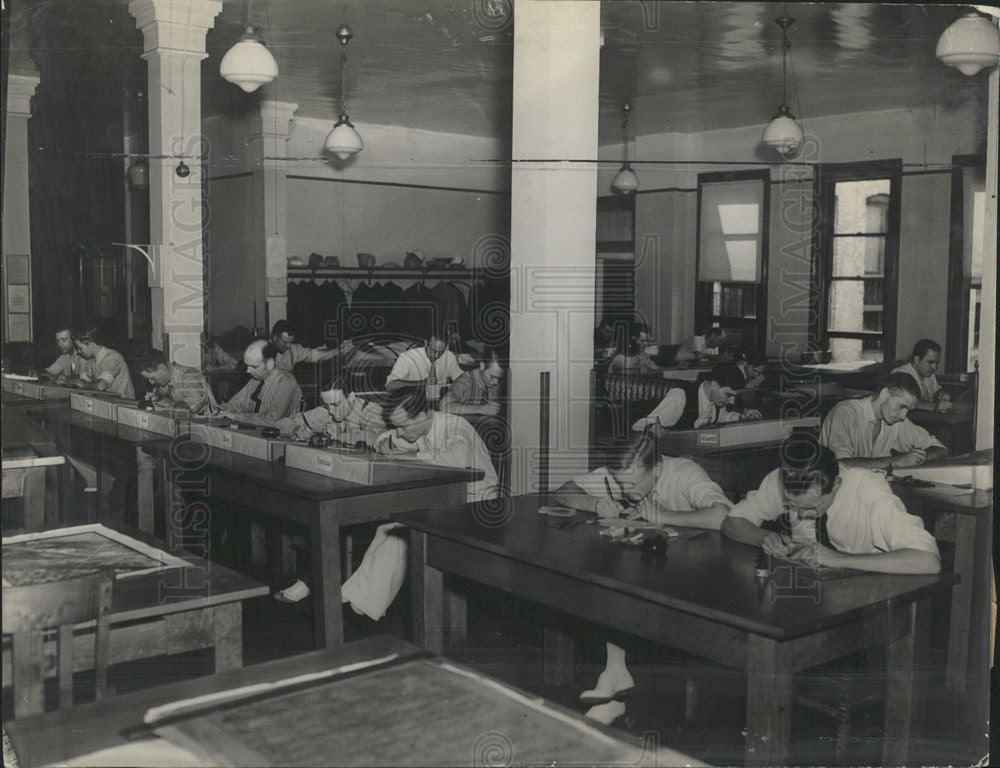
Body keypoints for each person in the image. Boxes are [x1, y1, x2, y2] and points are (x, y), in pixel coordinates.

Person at [553, 433, 732, 724]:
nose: (626, 490)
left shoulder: (684, 472)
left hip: (701, 580)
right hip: (654, 571)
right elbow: (563, 492)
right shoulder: (623, 473)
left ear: (657, 469)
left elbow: (725, 516)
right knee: (613, 575)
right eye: (621, 484)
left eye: (633, 484)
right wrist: (595, 503)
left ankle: (616, 683)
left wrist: (663, 516)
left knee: (626, 584)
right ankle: (615, 680)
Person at [298, 389, 498, 616]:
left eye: (403, 426)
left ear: (423, 415)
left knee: (404, 534)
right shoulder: (419, 429)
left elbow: (458, 458)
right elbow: (389, 437)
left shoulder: (455, 427)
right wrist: (385, 442)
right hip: (447, 499)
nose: (400, 433)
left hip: (478, 506)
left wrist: (406, 455)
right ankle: (358, 597)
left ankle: (361, 601)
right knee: (387, 528)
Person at [721, 432, 940, 575]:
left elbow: (928, 559)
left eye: (809, 508)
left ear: (836, 485)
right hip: (822, 586)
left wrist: (837, 559)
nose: (799, 514)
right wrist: (763, 537)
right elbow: (732, 522)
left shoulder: (870, 492)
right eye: (790, 505)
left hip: (876, 587)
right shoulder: (788, 478)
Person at [818, 373, 946, 470]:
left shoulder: (894, 419)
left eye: (908, 410)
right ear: (884, 394)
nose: (903, 416)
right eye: (901, 406)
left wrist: (919, 457)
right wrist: (896, 461)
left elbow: (940, 448)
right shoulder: (845, 412)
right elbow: (841, 465)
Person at [273, 374, 385, 445]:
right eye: (327, 405)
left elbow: (374, 438)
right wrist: (295, 429)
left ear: (351, 397)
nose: (331, 411)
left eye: (335, 404)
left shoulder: (371, 409)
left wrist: (338, 435)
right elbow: (279, 423)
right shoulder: (326, 411)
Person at [216, 340, 302, 427]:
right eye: (247, 365)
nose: (248, 371)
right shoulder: (256, 380)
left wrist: (237, 417)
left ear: (270, 364)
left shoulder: (285, 382)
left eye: (254, 367)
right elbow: (236, 404)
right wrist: (219, 409)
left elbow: (271, 420)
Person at [384, 326, 464, 395]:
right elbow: (390, 385)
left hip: (439, 403)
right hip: (412, 403)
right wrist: (421, 383)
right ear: (426, 343)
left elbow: (461, 379)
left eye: (441, 352)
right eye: (433, 351)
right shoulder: (408, 357)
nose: (436, 356)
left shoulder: (449, 356)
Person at [138, 350, 216, 414]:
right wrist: (156, 398)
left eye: (152, 378)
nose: (152, 382)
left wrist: (169, 404)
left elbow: (194, 404)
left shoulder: (189, 376)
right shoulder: (166, 379)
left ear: (161, 368)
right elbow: (162, 393)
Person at [438, 347, 504, 417]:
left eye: (498, 378)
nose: (495, 382)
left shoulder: (494, 384)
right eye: (492, 376)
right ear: (482, 366)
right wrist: (481, 409)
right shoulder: (466, 381)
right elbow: (443, 406)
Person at [72, 326, 135, 399]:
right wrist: (67, 380)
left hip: (124, 404)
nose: (78, 352)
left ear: (92, 345)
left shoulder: (113, 357)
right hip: (109, 403)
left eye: (80, 348)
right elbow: (83, 377)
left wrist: (83, 384)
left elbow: (101, 386)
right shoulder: (93, 361)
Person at [693, 363, 762, 428]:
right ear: (714, 385)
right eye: (728, 395)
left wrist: (742, 417)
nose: (732, 402)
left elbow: (724, 417)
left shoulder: (716, 399)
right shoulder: (683, 397)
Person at [891, 339, 951, 413]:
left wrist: (940, 394)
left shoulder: (929, 374)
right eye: (930, 362)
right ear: (917, 360)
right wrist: (935, 406)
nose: (934, 367)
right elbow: (911, 402)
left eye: (936, 363)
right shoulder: (900, 375)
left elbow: (935, 391)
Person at [269, 320, 340, 372]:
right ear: (274, 338)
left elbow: (314, 355)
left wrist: (338, 350)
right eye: (284, 342)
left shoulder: (293, 349)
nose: (288, 346)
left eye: (290, 342)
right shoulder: (262, 350)